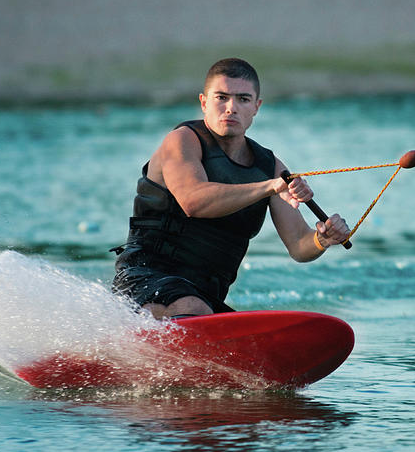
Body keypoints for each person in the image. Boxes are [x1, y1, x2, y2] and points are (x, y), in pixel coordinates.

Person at [111, 58, 350, 319]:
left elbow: (298, 245)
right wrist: (268, 187)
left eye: (243, 99)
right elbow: (194, 202)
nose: (231, 108)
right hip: (145, 277)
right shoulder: (182, 141)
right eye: (221, 98)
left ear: (256, 107)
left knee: (199, 308)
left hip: (204, 295)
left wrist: (323, 239)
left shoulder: (269, 166)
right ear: (204, 102)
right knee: (191, 307)